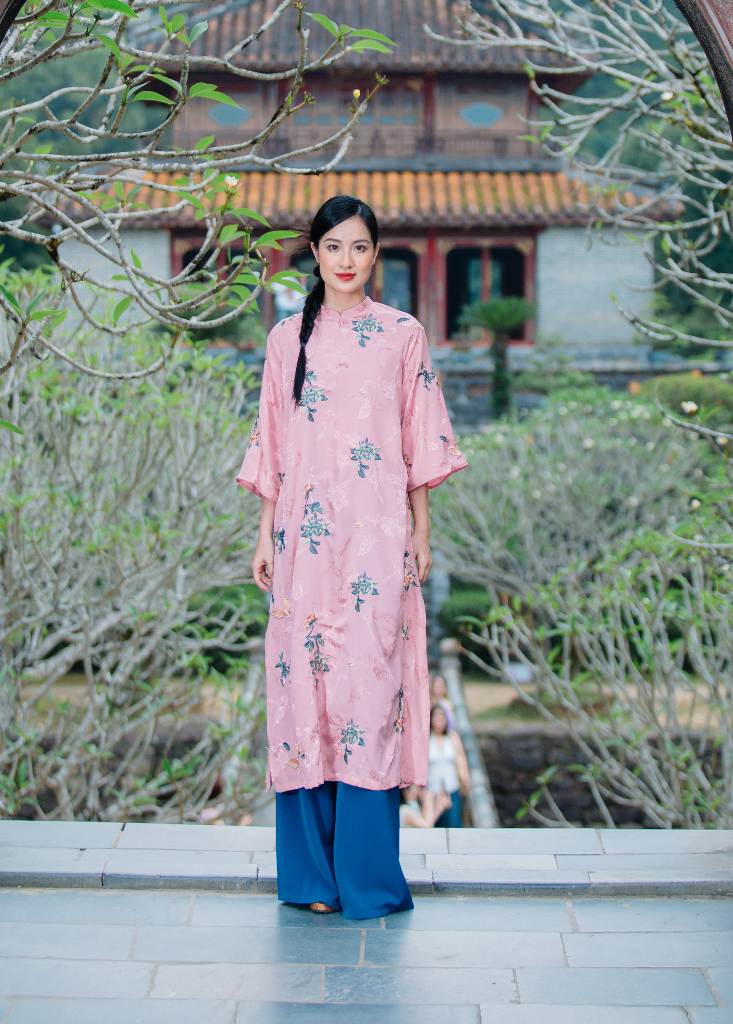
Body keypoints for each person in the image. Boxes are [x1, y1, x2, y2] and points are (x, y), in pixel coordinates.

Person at [237, 195, 467, 919]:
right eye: (333, 246)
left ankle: (366, 881)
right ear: (313, 253)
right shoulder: (286, 340)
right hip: (303, 544)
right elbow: (274, 443)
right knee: (303, 691)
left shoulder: (402, 335)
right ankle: (312, 881)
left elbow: (419, 439)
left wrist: (421, 529)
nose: (346, 260)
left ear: (375, 254)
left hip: (377, 539)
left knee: (369, 692)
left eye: (359, 247)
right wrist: (265, 531)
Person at [428, 705, 471, 828]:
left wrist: (464, 780)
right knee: (436, 825)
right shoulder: (427, 739)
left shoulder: (452, 737)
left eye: (442, 716)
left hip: (452, 787)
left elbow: (461, 758)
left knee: (454, 823)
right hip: (432, 790)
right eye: (436, 717)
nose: (439, 720)